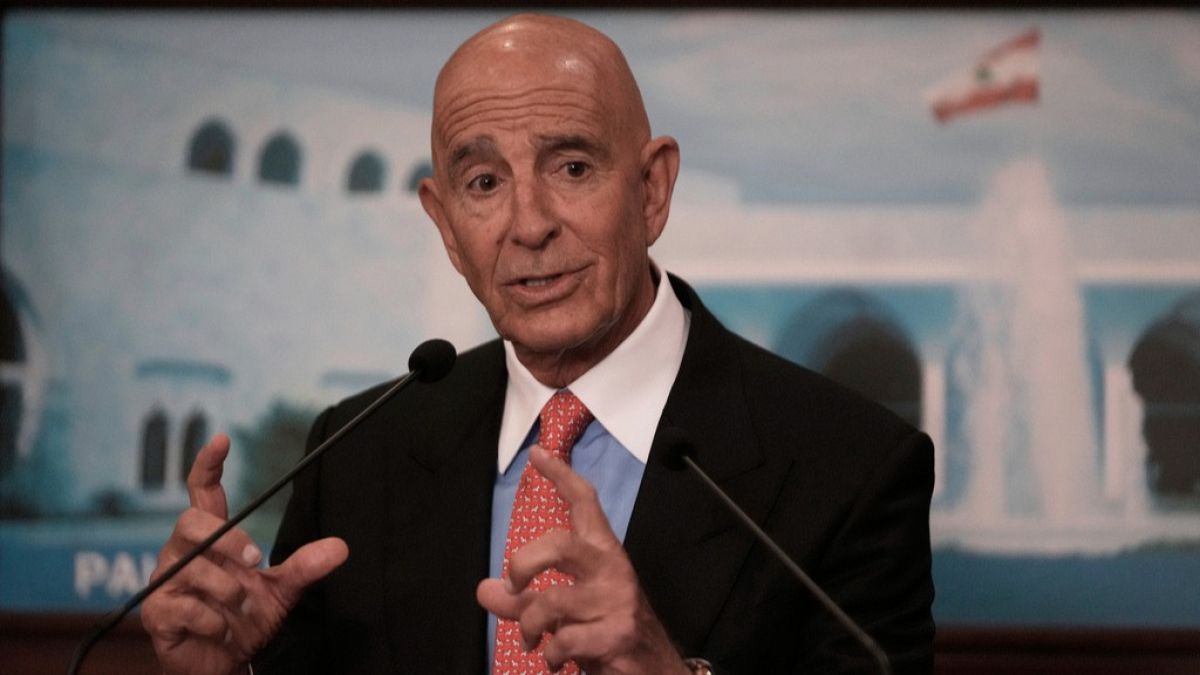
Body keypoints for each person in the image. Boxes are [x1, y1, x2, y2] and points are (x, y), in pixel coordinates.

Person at [141, 13, 935, 675]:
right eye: (484, 183)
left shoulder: (853, 468)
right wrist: (234, 668)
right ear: (446, 226)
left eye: (573, 167)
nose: (529, 225)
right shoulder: (356, 454)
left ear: (652, 190)